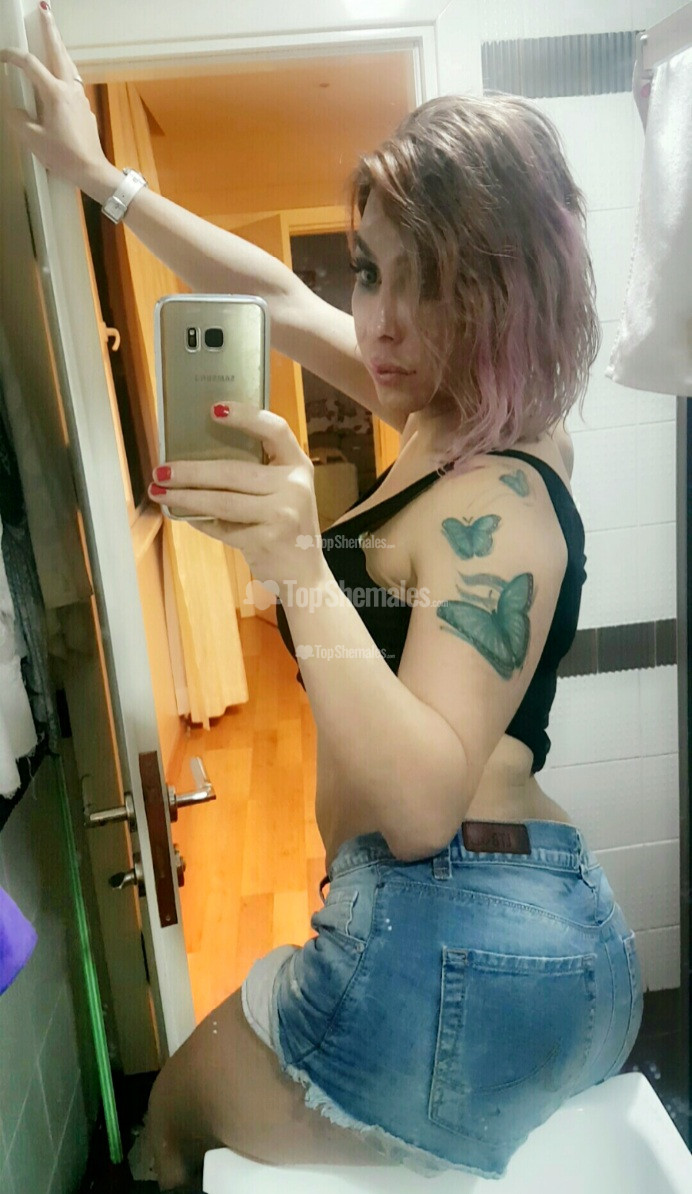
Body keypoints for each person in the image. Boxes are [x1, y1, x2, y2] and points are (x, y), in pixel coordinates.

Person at [1, 7, 644, 1192]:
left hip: (453, 936)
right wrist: (103, 183)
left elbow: (417, 808)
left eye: (428, 286)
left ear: (504, 295)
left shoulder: (495, 497)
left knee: (171, 1127)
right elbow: (267, 293)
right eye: (371, 270)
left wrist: (298, 563)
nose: (379, 321)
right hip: (554, 933)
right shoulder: (460, 417)